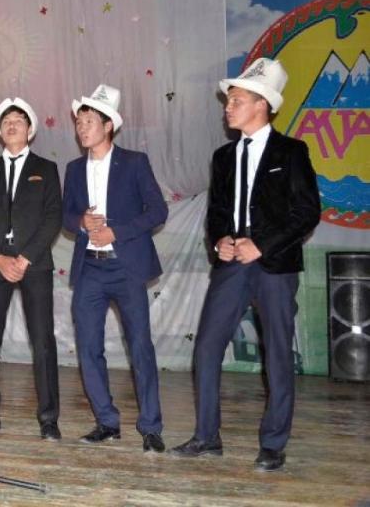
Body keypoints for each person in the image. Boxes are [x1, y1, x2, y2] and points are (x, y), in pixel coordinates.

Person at [171, 58, 320, 472]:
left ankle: (273, 443)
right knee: (206, 346)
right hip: (231, 265)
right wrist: (219, 240)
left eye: (237, 100)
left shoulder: (291, 151)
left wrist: (262, 246)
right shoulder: (223, 156)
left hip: (274, 265)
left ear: (262, 105)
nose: (228, 107)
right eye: (228, 101)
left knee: (277, 352)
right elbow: (217, 212)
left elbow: (307, 212)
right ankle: (207, 437)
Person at [62, 84, 168, 452]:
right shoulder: (74, 169)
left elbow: (158, 211)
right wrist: (81, 222)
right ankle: (106, 421)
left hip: (127, 268)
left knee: (140, 346)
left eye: (89, 121)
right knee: (88, 346)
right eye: (78, 123)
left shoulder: (135, 162)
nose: (82, 128)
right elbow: (65, 214)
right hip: (90, 268)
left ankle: (151, 426)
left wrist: (115, 232)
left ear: (108, 126)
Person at [0, 98, 62, 441]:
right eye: (6, 120)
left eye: (19, 120)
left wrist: (23, 259)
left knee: (43, 341)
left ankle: (49, 418)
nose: (12, 124)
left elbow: (53, 217)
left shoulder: (46, 168)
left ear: (30, 130)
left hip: (34, 265)